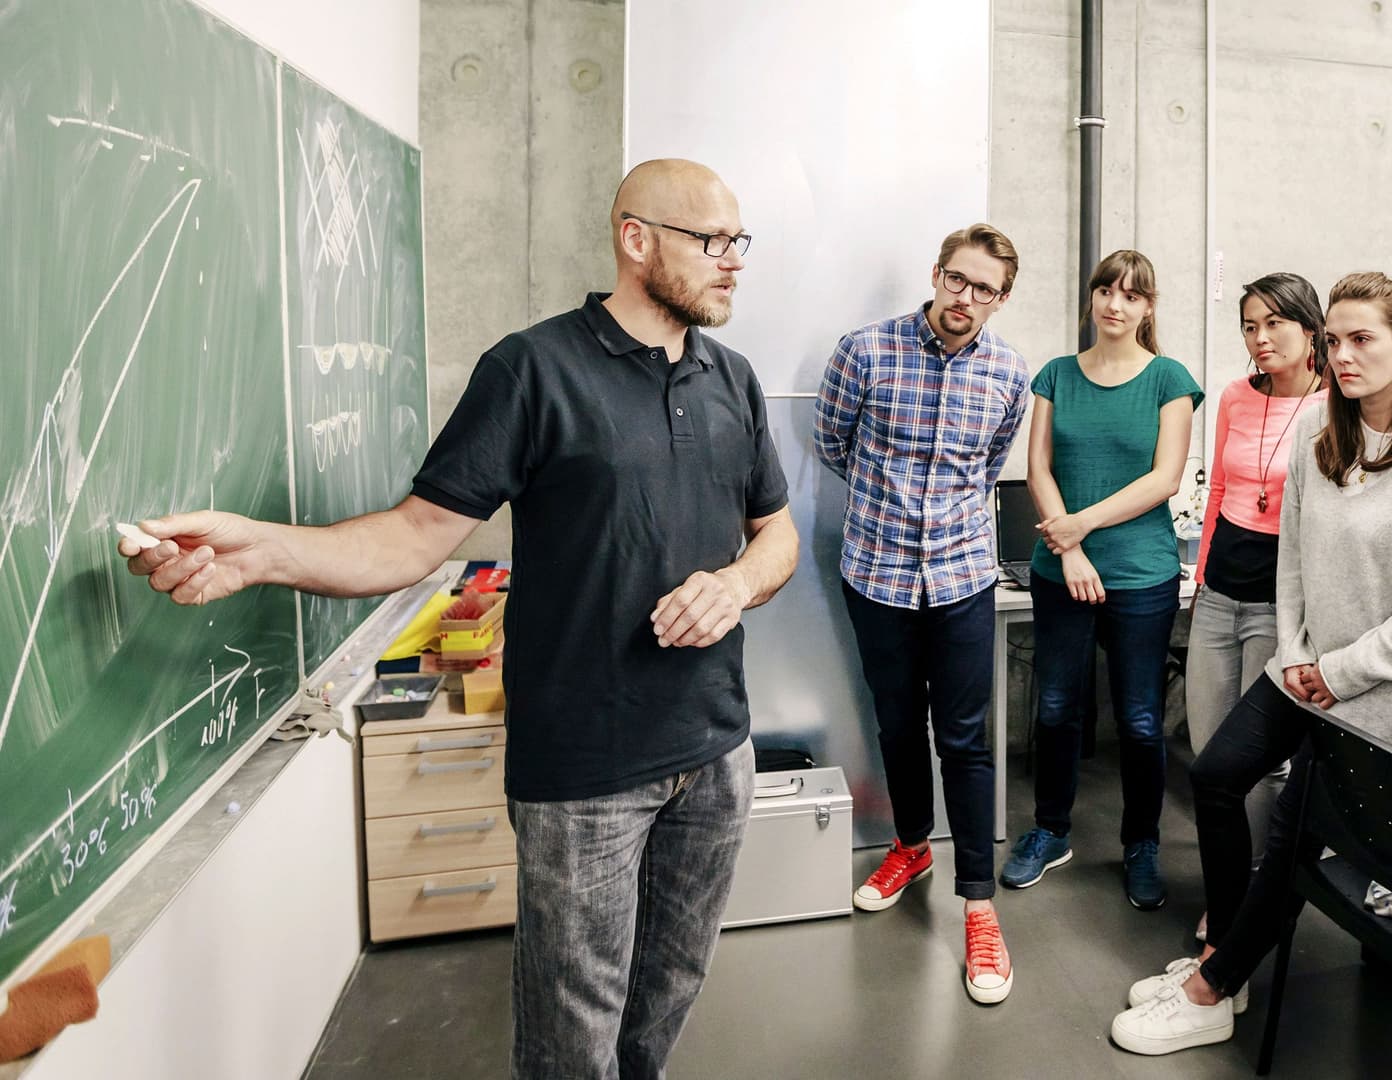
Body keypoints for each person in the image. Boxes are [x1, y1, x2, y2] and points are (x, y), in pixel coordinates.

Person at [120, 159, 798, 1080]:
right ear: (635, 240)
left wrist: (738, 582)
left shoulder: (734, 378)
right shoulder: (532, 369)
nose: (733, 262)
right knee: (572, 1034)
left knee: (668, 993)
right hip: (584, 773)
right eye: (711, 241)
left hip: (718, 751)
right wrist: (265, 553)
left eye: (738, 243)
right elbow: (412, 538)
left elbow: (778, 536)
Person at [1110, 270, 1392, 1055]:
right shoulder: (1323, 432)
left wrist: (1340, 673)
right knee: (1214, 778)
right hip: (1306, 669)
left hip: (1384, 691)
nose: (1343, 356)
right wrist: (1297, 654)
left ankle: (1212, 990)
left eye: (1362, 340)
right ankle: (1224, 956)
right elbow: (1296, 563)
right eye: (1335, 342)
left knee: (1291, 836)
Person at [813, 223, 1029, 1005]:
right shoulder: (864, 351)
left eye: (987, 290)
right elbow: (831, 443)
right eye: (959, 281)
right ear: (937, 274)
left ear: (1002, 298)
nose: (967, 300)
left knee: (967, 739)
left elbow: (991, 461)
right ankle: (910, 846)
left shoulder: (1009, 372)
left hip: (964, 577)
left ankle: (978, 907)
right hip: (877, 574)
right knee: (898, 725)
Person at [999, 249, 1202, 911]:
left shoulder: (1169, 379)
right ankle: (1051, 831)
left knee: (1141, 720)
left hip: (1142, 575)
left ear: (1148, 307)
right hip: (1062, 573)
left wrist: (1077, 527)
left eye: (1131, 295)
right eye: (1105, 290)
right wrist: (1071, 549)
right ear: (1092, 298)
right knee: (1056, 708)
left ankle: (1141, 841)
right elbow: (1040, 469)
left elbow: (1164, 480)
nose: (1115, 304)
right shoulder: (1057, 375)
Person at [1184, 273, 1329, 941]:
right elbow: (1216, 492)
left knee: (1263, 762)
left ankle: (1256, 896)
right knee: (1209, 752)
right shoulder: (1236, 398)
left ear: (1309, 329)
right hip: (1220, 594)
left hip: (1281, 603)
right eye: (1248, 326)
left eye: (1273, 323)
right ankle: (1228, 888)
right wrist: (1202, 579)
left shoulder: (1336, 407)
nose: (1260, 338)